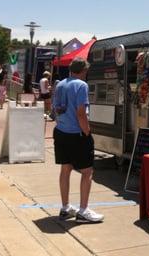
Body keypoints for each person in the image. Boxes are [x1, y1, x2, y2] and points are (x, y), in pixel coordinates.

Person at [52, 57, 104, 223]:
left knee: (65, 169)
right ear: (84, 71)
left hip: (60, 131)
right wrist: (87, 132)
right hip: (76, 134)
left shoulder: (60, 84)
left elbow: (56, 109)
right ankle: (83, 210)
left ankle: (65, 207)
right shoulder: (81, 85)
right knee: (87, 171)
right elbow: (81, 113)